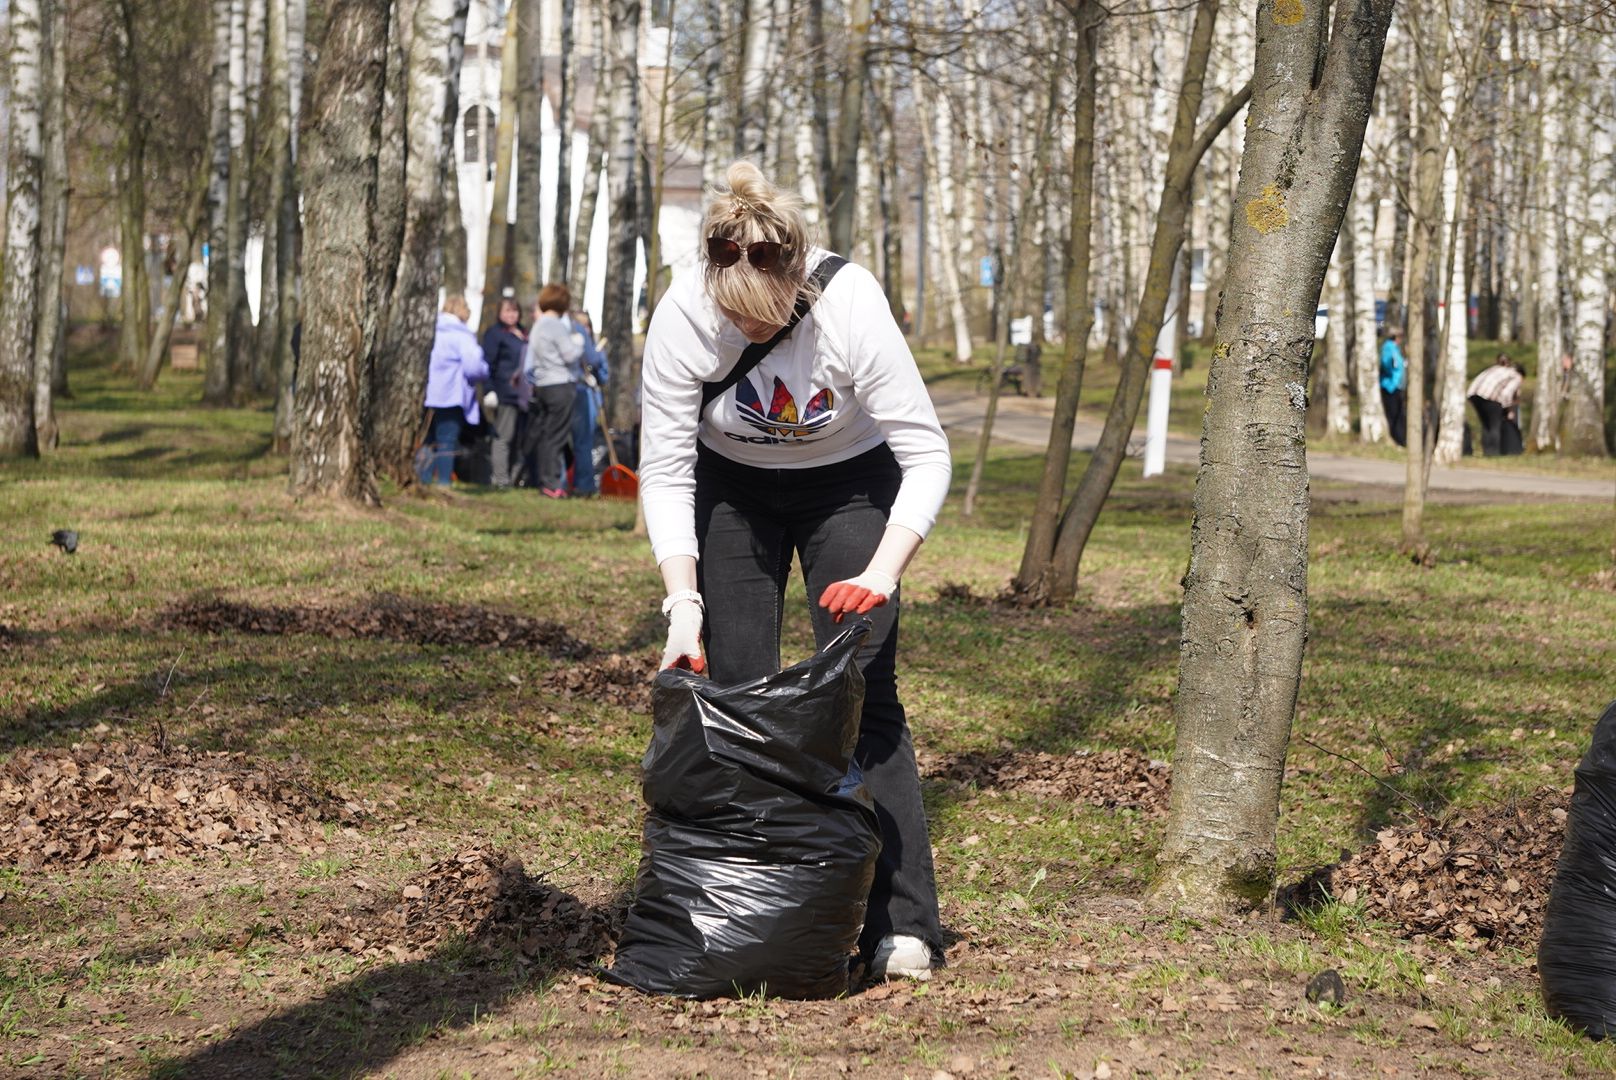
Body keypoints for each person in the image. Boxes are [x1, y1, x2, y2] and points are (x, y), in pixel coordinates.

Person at [638, 161, 953, 981]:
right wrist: (682, 606)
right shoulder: (681, 316)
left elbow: (927, 455)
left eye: (762, 321)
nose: (745, 332)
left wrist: (882, 573)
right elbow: (666, 471)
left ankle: (904, 926)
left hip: (849, 485)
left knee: (862, 693)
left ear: (795, 287)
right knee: (737, 696)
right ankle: (752, 918)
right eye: (731, 318)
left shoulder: (849, 303)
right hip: (730, 490)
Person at [419, 295, 490, 485]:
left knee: (427, 439)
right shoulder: (462, 335)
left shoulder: (430, 330)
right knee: (447, 440)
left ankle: (422, 480)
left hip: (427, 394)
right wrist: (485, 371)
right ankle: (443, 482)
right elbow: (473, 366)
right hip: (450, 395)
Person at [522, 283, 584, 498]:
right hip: (560, 384)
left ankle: (547, 482)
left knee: (548, 434)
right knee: (556, 436)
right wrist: (579, 343)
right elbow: (569, 355)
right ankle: (551, 484)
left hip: (543, 384)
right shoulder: (555, 325)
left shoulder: (538, 325)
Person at [483, 296, 529, 489]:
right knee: (503, 436)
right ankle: (500, 478)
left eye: (514, 311)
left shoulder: (524, 333)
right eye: (507, 311)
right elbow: (487, 364)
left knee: (521, 440)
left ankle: (514, 478)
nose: (511, 315)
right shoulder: (495, 334)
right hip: (505, 393)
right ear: (500, 313)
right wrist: (489, 389)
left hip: (524, 395)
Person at [566, 311, 609, 496]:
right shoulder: (577, 335)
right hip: (579, 390)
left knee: (579, 440)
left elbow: (603, 376)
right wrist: (596, 356)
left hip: (581, 391)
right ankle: (583, 484)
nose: (585, 329)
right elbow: (592, 359)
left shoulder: (592, 345)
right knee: (582, 440)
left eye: (587, 326)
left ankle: (574, 483)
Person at [1467, 353, 1525, 457]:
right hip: (1490, 397)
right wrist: (1509, 410)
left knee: (1486, 425)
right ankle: (1493, 453)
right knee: (1494, 425)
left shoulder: (1496, 368)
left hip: (1474, 394)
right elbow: (1506, 393)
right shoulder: (1516, 376)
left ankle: (1486, 452)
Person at [1380, 330, 1407, 447]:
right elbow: (1386, 364)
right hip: (1390, 386)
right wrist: (1391, 372)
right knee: (1393, 414)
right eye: (1400, 336)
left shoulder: (1395, 349)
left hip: (1397, 386)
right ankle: (1396, 439)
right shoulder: (1388, 347)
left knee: (1399, 415)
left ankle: (1400, 439)